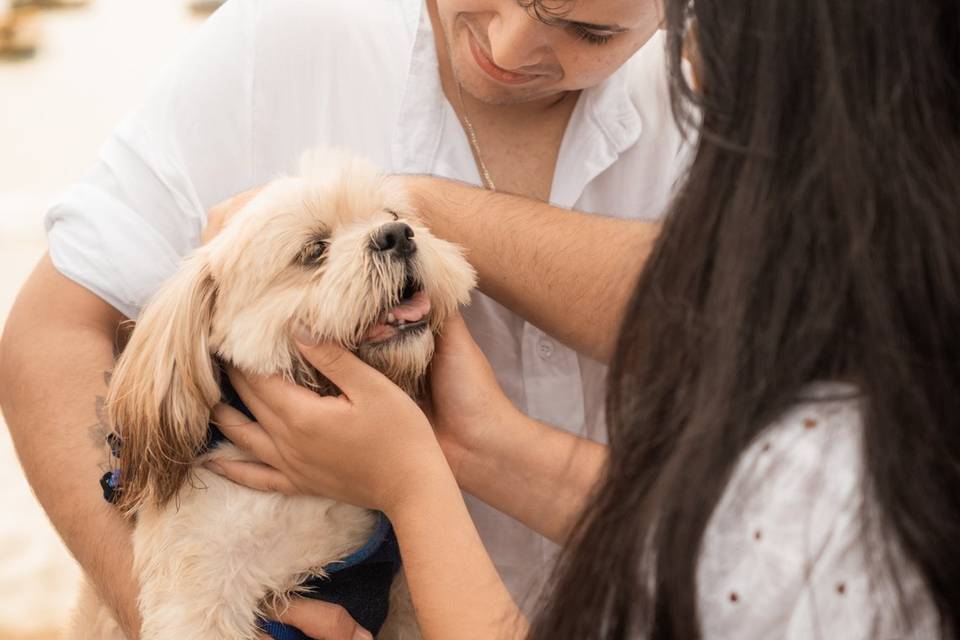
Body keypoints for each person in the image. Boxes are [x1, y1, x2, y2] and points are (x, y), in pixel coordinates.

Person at [206, 0, 960, 637]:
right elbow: (719, 537)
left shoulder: (828, 480)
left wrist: (415, 485)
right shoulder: (850, 449)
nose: (685, 53)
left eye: (596, 31)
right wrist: (480, 446)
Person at [0, 0, 684, 637]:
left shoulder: (733, 89)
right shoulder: (289, 34)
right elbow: (51, 331)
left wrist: (429, 208)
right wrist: (177, 603)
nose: (508, 44)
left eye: (590, 30)